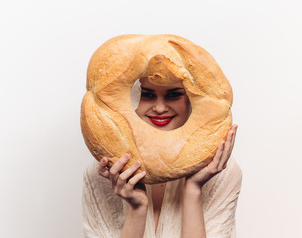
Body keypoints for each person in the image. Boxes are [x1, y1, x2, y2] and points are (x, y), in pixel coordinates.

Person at [82, 77, 242, 238]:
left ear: (191, 101)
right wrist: (137, 209)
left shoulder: (221, 173)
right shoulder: (103, 175)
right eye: (147, 95)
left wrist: (193, 189)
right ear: (132, 98)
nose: (159, 108)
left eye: (173, 95)